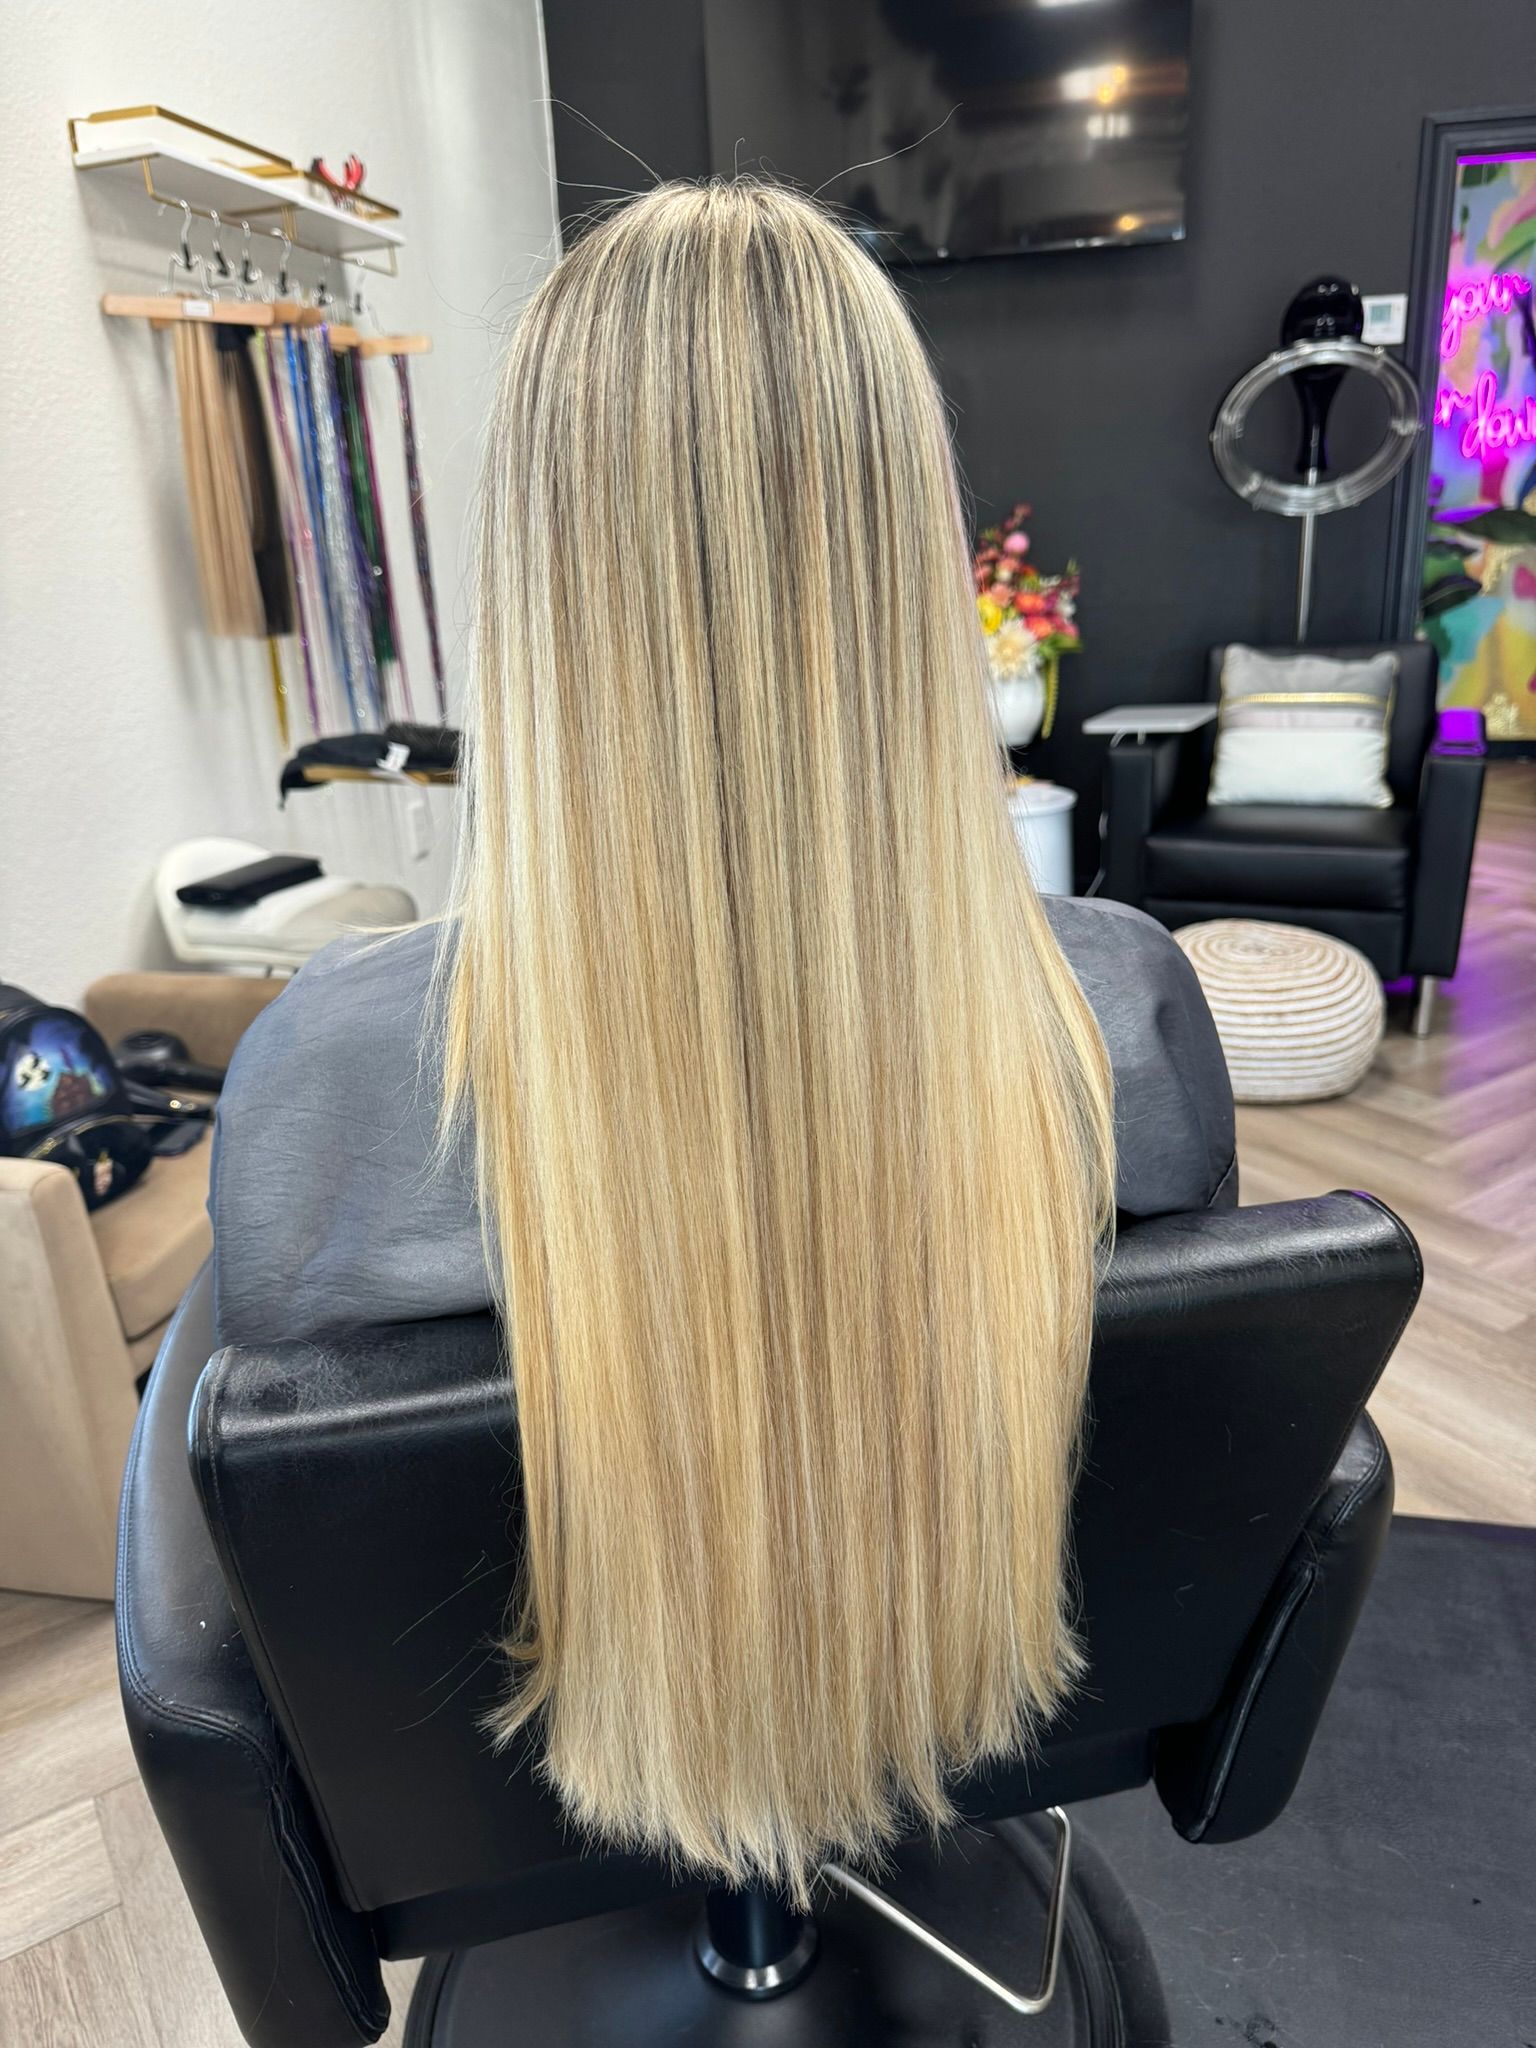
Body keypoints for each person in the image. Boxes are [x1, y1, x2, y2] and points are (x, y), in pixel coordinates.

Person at [211, 181, 1233, 1902]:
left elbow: (258, 1570)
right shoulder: (1118, 1012)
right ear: (907, 556)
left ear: (537, 575)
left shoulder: (326, 1081)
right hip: (963, 1708)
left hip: (502, 1800)